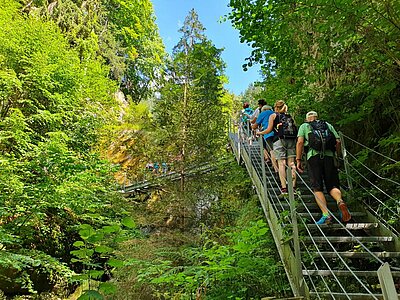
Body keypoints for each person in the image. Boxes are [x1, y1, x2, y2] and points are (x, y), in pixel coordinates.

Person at [296, 111, 351, 225]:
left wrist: (298, 159)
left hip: (313, 157)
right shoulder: (327, 124)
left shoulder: (304, 126)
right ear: (317, 117)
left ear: (307, 119)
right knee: (332, 185)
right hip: (329, 157)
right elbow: (338, 141)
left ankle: (326, 215)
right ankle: (339, 201)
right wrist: (337, 155)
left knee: (317, 187)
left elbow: (300, 142)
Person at [258, 100, 297, 197]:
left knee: (281, 164)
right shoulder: (289, 116)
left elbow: (269, 129)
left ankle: (284, 189)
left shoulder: (273, 116)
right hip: (291, 140)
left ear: (276, 107)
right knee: (291, 163)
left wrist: (260, 133)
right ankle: (293, 188)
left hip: (279, 140)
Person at [252, 105, 278, 173]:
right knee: (276, 150)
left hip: (268, 134)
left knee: (272, 151)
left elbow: (255, 125)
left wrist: (252, 126)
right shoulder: (274, 113)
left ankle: (276, 169)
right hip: (277, 134)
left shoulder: (262, 114)